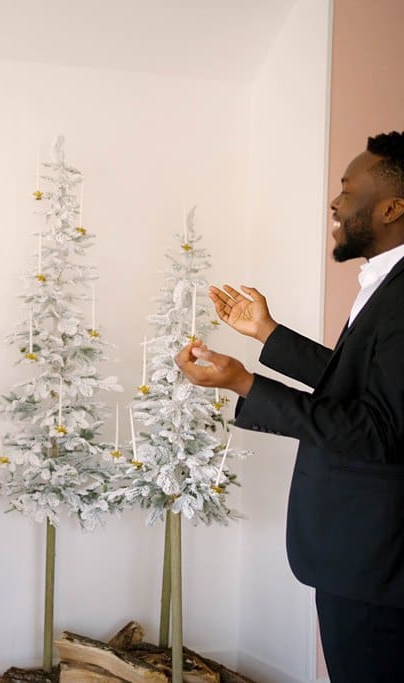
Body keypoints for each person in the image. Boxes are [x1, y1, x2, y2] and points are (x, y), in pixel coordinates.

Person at [175, 132, 404, 682]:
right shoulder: (387, 282)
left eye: (348, 190)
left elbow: (379, 430)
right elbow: (362, 388)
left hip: (375, 562)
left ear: (393, 206)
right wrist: (268, 333)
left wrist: (246, 384)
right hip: (362, 558)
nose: (335, 203)